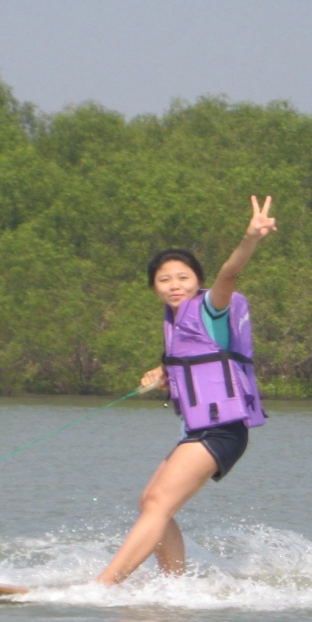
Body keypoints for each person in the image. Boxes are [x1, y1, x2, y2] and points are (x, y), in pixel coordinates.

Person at [97, 196, 277, 585]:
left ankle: (104, 585)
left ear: (197, 281)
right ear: (154, 288)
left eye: (183, 277)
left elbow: (229, 274)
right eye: (164, 279)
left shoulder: (211, 307)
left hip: (224, 429)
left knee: (158, 504)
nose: (175, 285)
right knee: (150, 503)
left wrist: (250, 239)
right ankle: (176, 587)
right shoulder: (176, 326)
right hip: (199, 430)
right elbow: (195, 365)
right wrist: (163, 373)